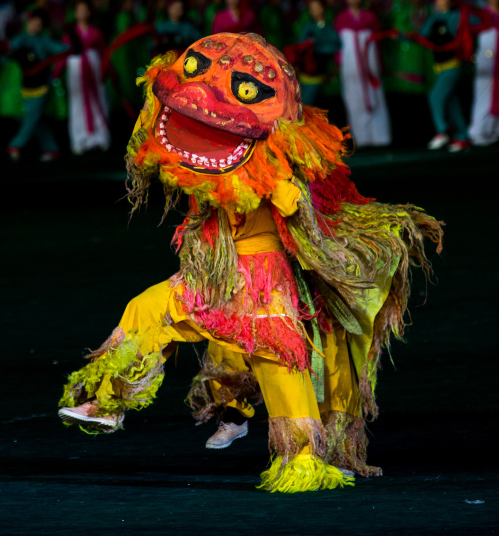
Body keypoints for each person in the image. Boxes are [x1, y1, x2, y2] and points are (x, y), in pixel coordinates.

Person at [58, 32, 442, 493]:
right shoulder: (204, 165)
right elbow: (165, 149)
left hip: (266, 286)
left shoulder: (278, 172)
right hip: (215, 277)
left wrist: (293, 201)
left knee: (282, 368)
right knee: (148, 308)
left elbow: (305, 215)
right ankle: (107, 402)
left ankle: (304, 459)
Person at [6, 9, 67, 161]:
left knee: (31, 118)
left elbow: (59, 48)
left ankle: (15, 145)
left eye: (39, 24)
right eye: (33, 22)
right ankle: (51, 148)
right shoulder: (20, 39)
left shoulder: (44, 40)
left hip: (41, 86)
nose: (35, 26)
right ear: (28, 22)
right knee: (35, 119)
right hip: (25, 86)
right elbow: (6, 50)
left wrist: (73, 46)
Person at [334, 0, 392, 147]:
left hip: (370, 64)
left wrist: (379, 64)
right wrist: (338, 64)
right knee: (354, 100)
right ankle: (362, 138)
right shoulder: (340, 19)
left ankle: (380, 137)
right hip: (350, 66)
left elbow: (378, 42)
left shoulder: (370, 17)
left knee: (376, 97)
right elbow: (337, 45)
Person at [421, 0, 470, 152]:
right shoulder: (434, 18)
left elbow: (455, 36)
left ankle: (442, 130)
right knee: (451, 102)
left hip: (453, 65)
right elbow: (423, 35)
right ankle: (462, 136)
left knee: (435, 96)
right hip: (439, 67)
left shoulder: (455, 17)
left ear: (451, 0)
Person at [62, 0, 110, 155]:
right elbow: (62, 52)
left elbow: (104, 52)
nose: (82, 12)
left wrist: (105, 70)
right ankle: (79, 139)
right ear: (75, 12)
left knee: (99, 100)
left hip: (93, 66)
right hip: (76, 68)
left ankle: (100, 137)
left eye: (85, 9)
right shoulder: (69, 32)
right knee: (77, 102)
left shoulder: (96, 32)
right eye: (79, 9)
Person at [468, 0, 499, 146]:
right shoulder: (482, 15)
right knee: (484, 93)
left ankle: (494, 130)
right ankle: (478, 131)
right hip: (487, 59)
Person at [297, 0, 341, 106]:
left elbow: (336, 45)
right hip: (306, 72)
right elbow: (300, 47)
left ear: (323, 8)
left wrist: (316, 44)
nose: (314, 10)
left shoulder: (329, 28)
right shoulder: (308, 27)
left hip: (322, 73)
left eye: (316, 7)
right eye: (311, 8)